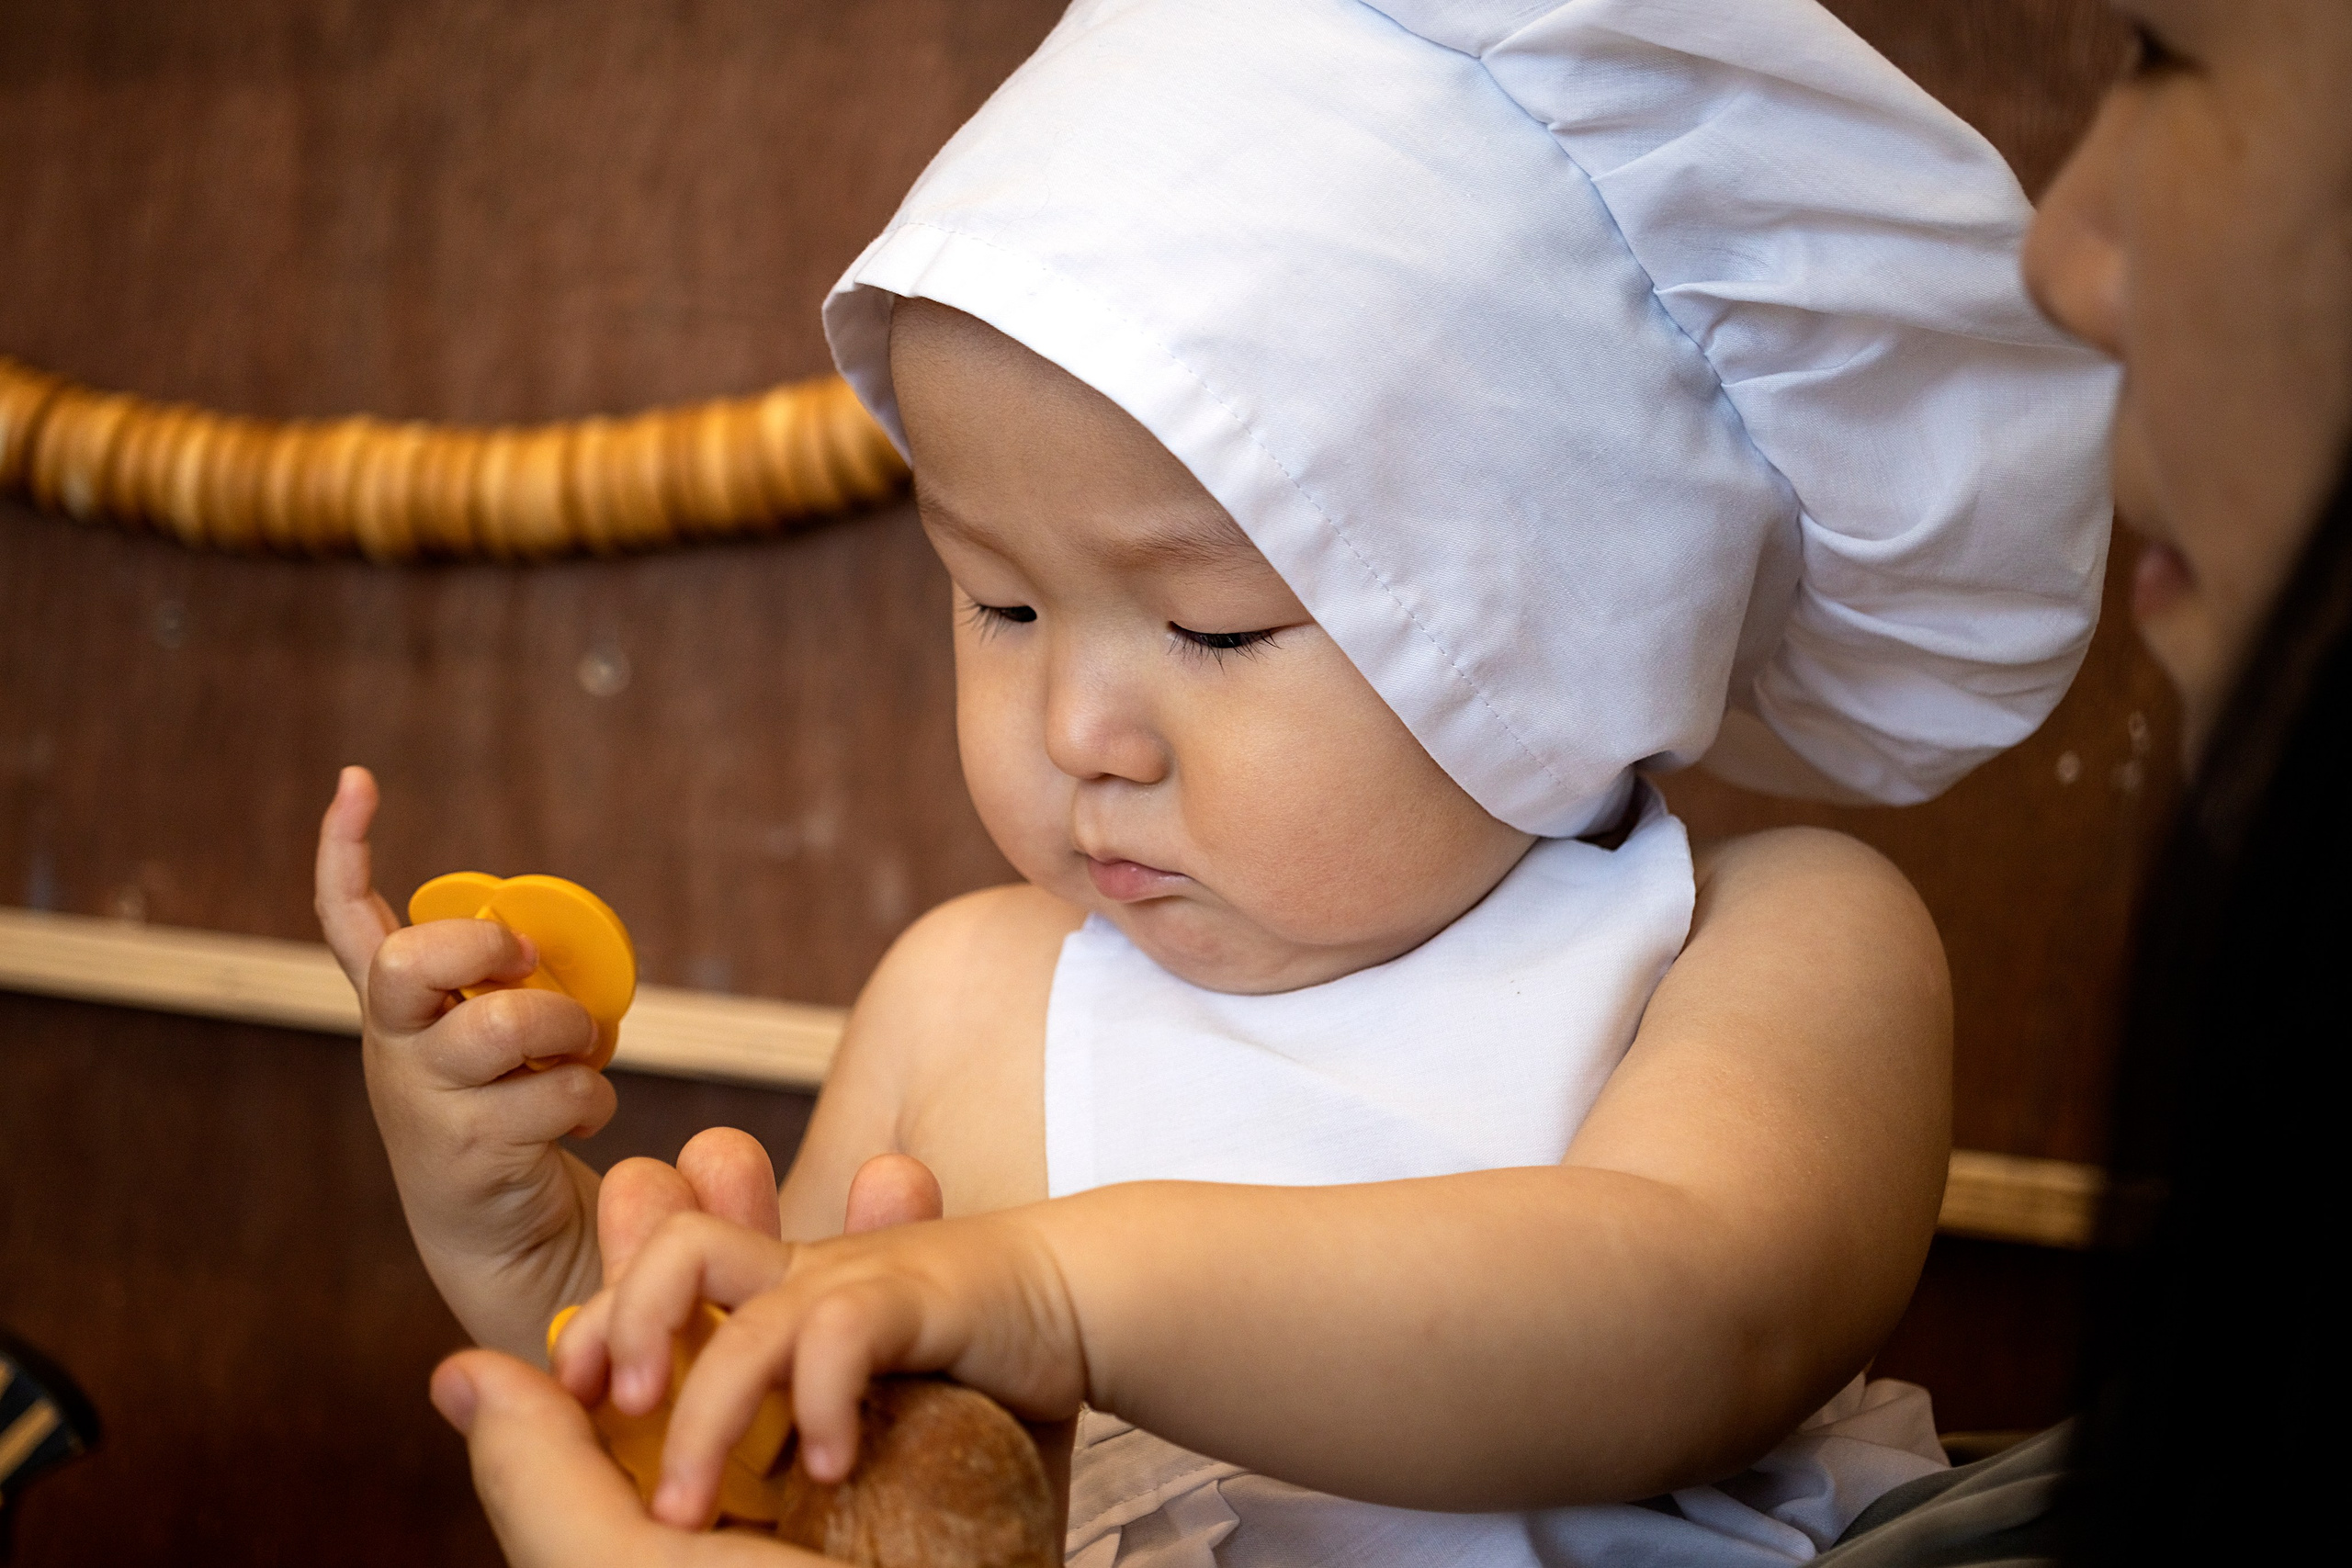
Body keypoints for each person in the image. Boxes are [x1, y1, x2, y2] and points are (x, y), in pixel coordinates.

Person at [320, 1, 2118, 1562]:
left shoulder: (1758, 944)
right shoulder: (965, 999)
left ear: (1563, 614)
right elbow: (789, 1446)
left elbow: (1680, 1315)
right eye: (1001, 599)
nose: (1078, 727)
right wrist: (553, 1270)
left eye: (1212, 624)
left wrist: (1051, 1292)